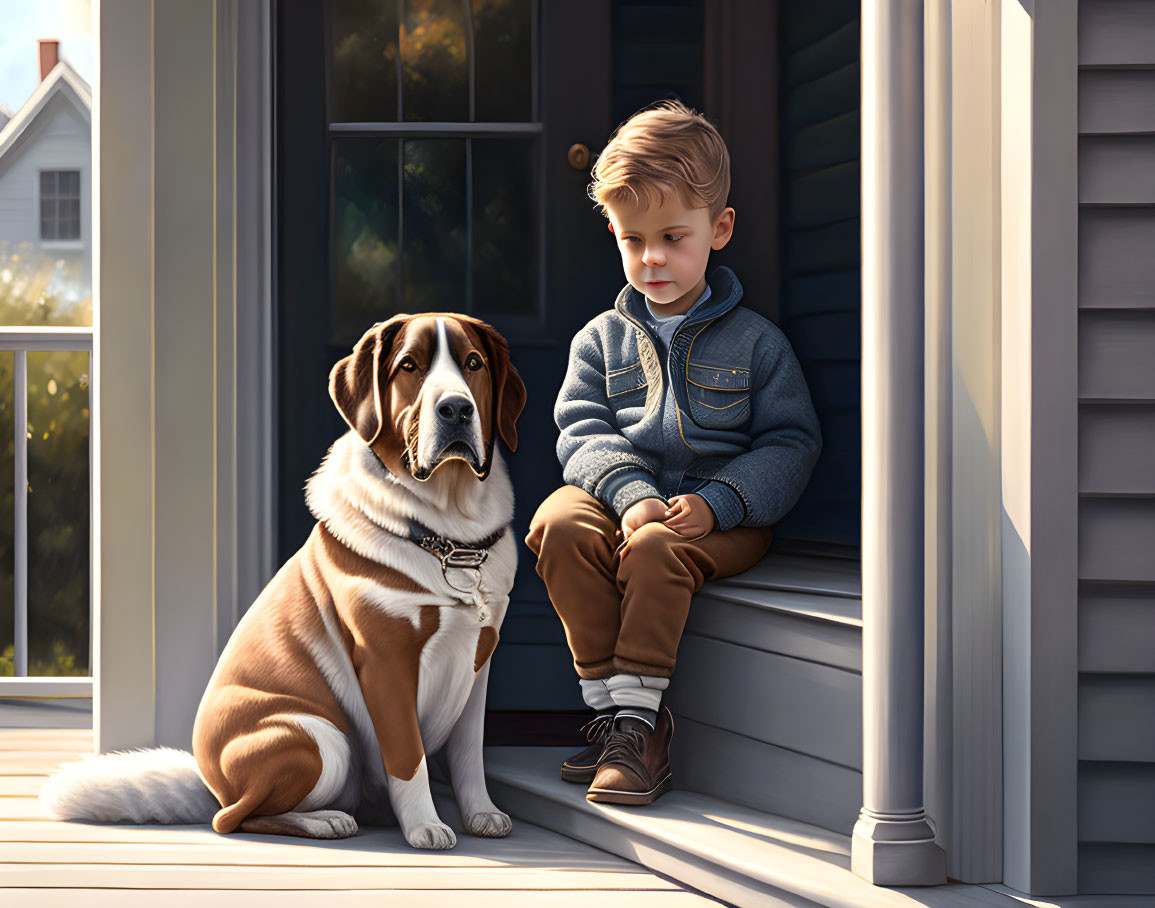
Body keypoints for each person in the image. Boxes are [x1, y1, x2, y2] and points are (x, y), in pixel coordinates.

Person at [525, 99, 822, 806]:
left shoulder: (757, 343)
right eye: (633, 240)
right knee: (557, 524)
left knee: (657, 546)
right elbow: (580, 429)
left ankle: (640, 724)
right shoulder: (599, 339)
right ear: (613, 234)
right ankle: (611, 717)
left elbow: (790, 443)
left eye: (672, 236)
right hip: (621, 496)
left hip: (721, 518)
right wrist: (629, 495)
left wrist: (718, 503)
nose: (651, 257)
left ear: (718, 230)